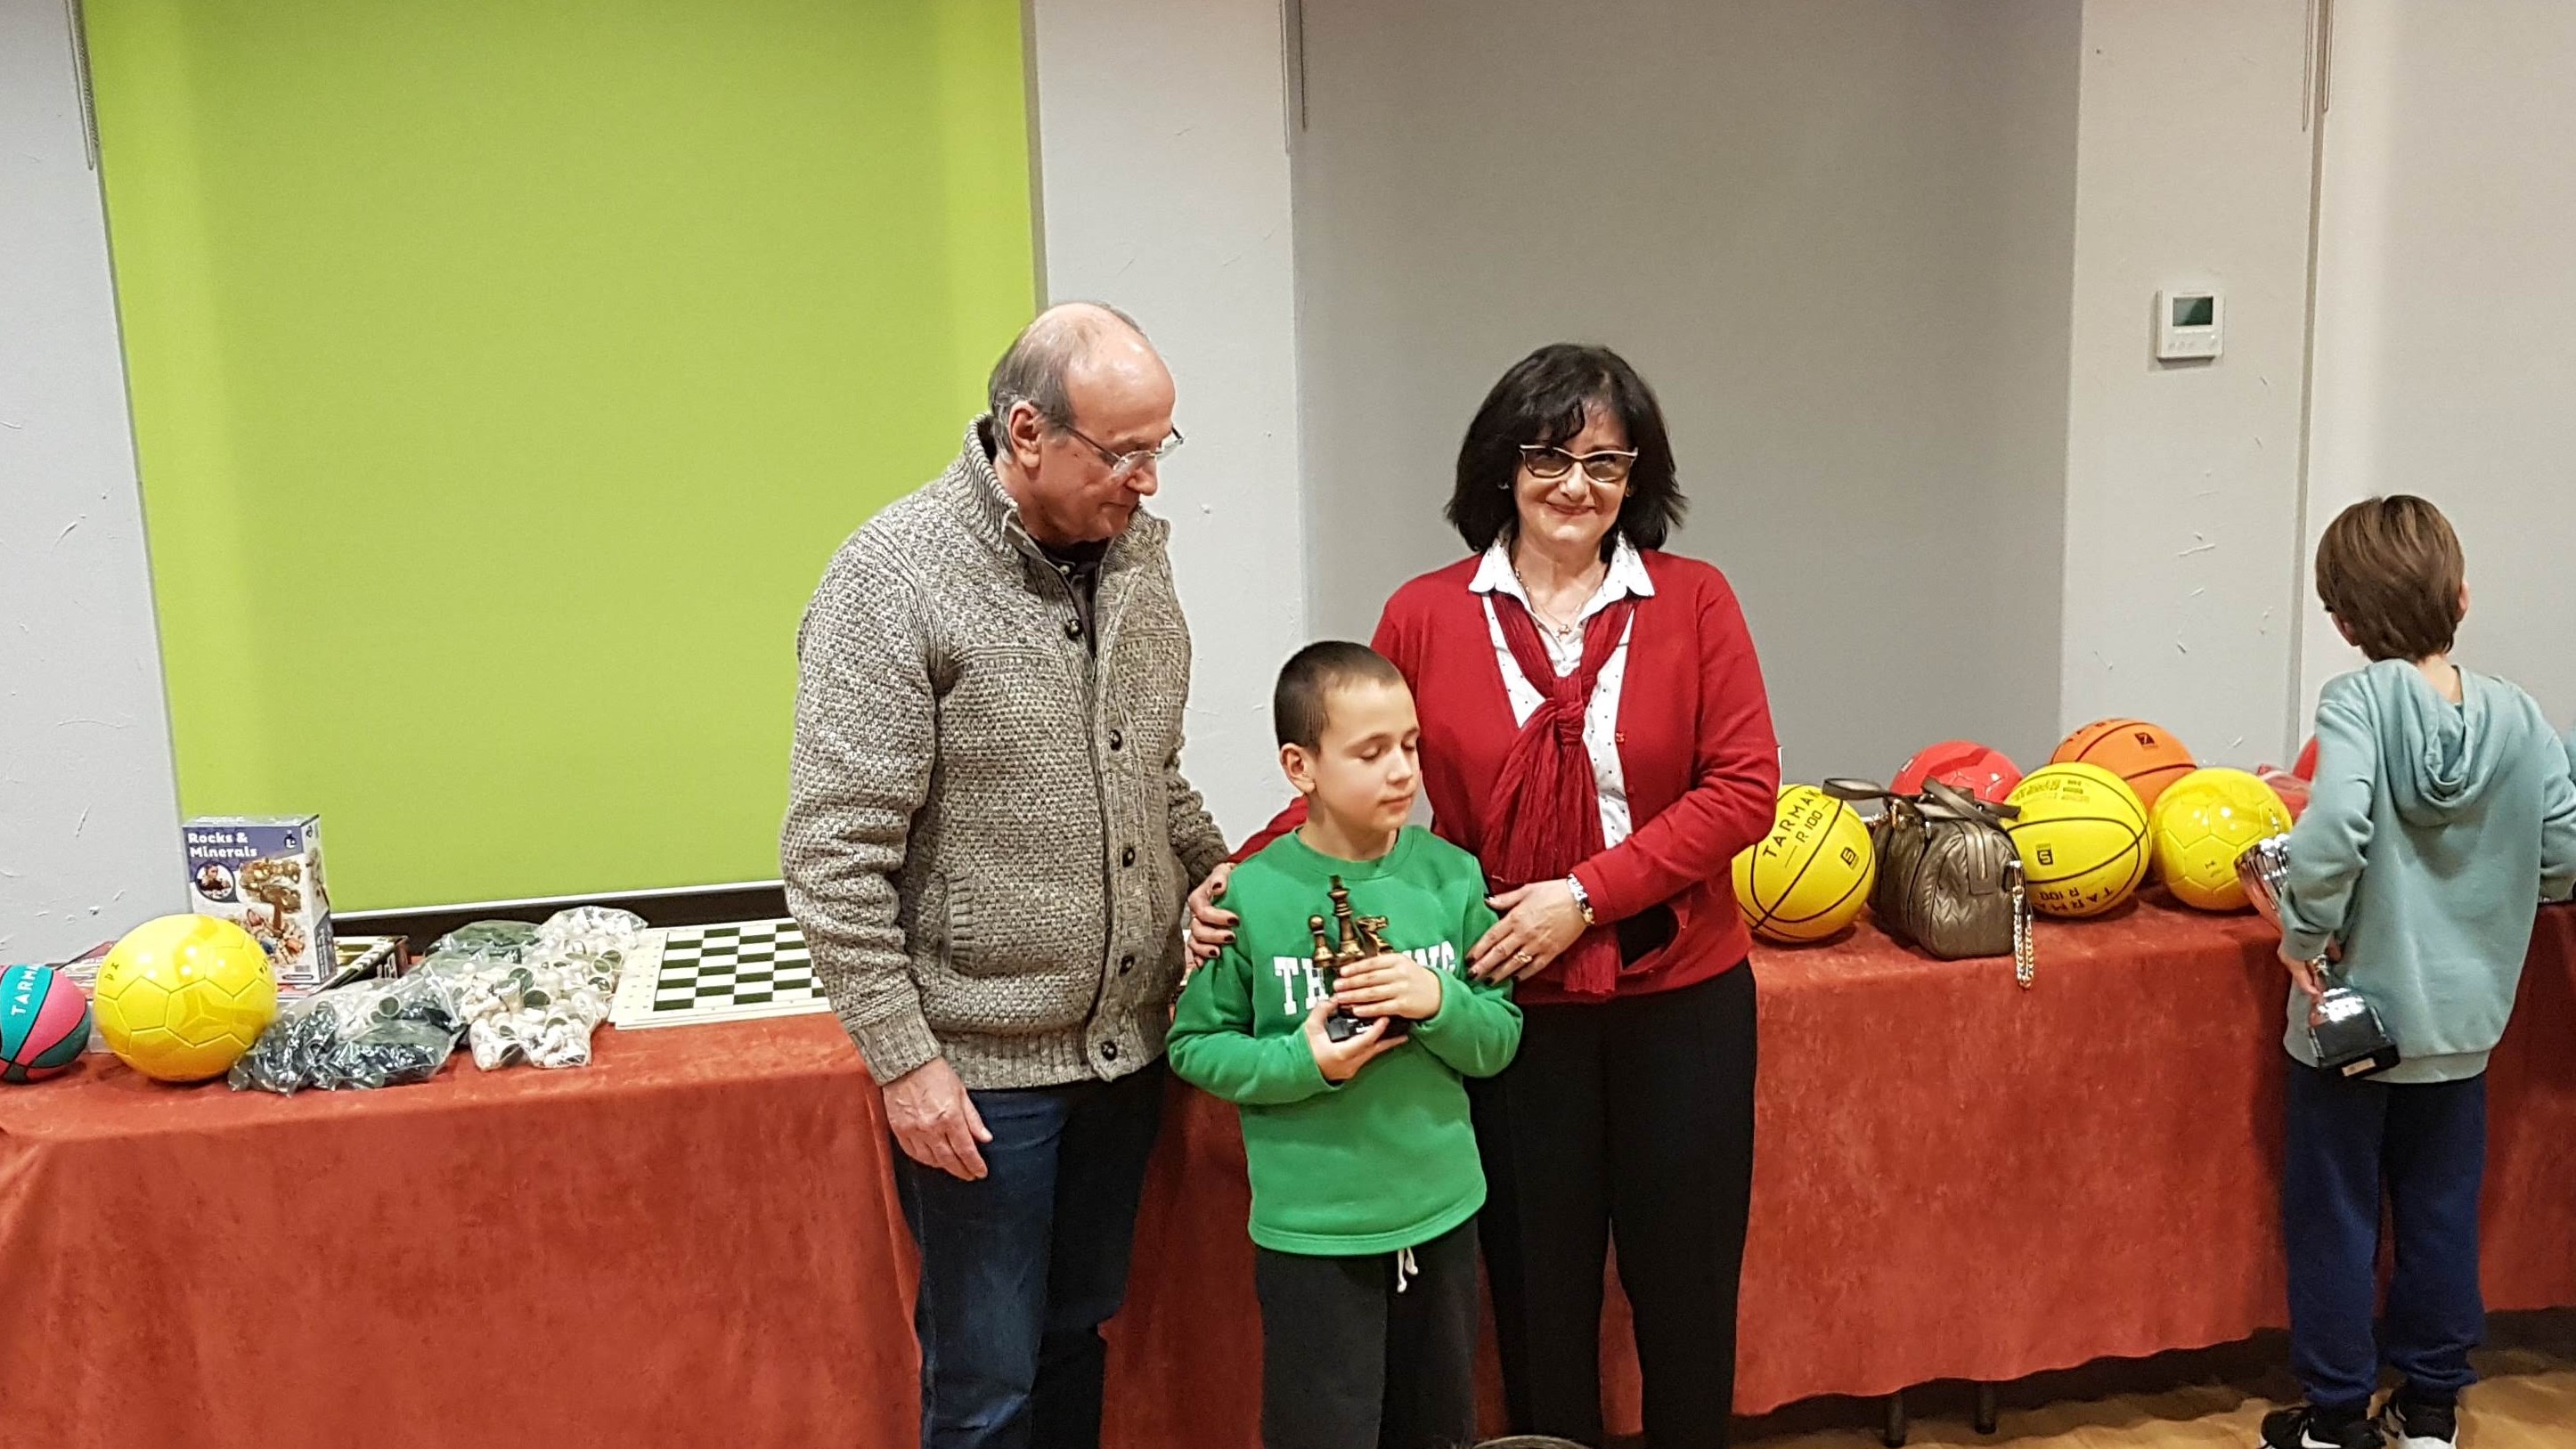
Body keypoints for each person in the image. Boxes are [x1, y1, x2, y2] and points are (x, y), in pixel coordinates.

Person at [1191, 344, 1780, 1448]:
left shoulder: (1695, 601)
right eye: (1550, 456)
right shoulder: (1427, 613)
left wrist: (1586, 897)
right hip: (1508, 1002)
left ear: (1638, 476)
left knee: (1688, 1292)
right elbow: (1355, 760)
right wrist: (1239, 871)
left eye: (1606, 462)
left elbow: (1744, 789)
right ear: (1502, 467)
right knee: (1537, 1301)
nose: (1576, 485)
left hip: (1682, 998)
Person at [782, 302, 1229, 1449]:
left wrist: (1225, 876)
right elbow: (832, 855)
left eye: (1160, 449)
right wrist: (906, 1062)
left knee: (1076, 1339)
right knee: (986, 1387)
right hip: (983, 1080)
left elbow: (1153, 774)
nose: (1147, 482)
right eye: (1122, 453)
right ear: (1027, 432)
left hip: (1126, 1052)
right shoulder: (893, 578)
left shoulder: (1137, 562)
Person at [2259, 496, 2576, 1449]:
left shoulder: (2356, 702)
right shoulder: (2521, 716)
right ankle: (2432, 1410)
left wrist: (2302, 930)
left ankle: (2335, 1418)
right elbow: (2564, 854)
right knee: (2442, 1215)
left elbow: (2335, 831)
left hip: (2350, 1026)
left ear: (2344, 623)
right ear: (2462, 597)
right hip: (2464, 1032)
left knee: (2335, 1219)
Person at [1169, 642, 1523, 1449]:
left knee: (1438, 1427)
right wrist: (1304, 1063)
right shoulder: (1250, 894)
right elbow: (1196, 1045)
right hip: (1313, 1231)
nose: (1402, 771)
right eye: (1370, 752)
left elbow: (1499, 1037)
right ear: (1301, 767)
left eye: (1410, 746)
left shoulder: (1454, 878)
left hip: (1440, 1213)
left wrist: (1439, 1001)